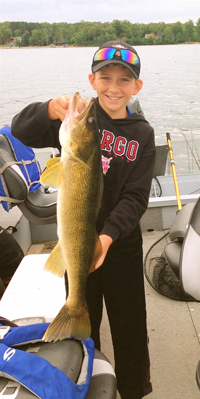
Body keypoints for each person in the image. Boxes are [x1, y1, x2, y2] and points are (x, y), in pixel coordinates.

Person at [11, 40, 156, 399]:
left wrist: (105, 239)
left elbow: (136, 198)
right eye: (105, 78)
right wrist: (47, 110)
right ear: (92, 80)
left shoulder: (142, 133)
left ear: (136, 87)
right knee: (83, 326)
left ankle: (133, 389)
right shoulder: (75, 126)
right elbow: (20, 130)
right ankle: (84, 380)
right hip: (75, 246)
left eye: (124, 80)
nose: (113, 87)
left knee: (131, 328)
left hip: (119, 248)